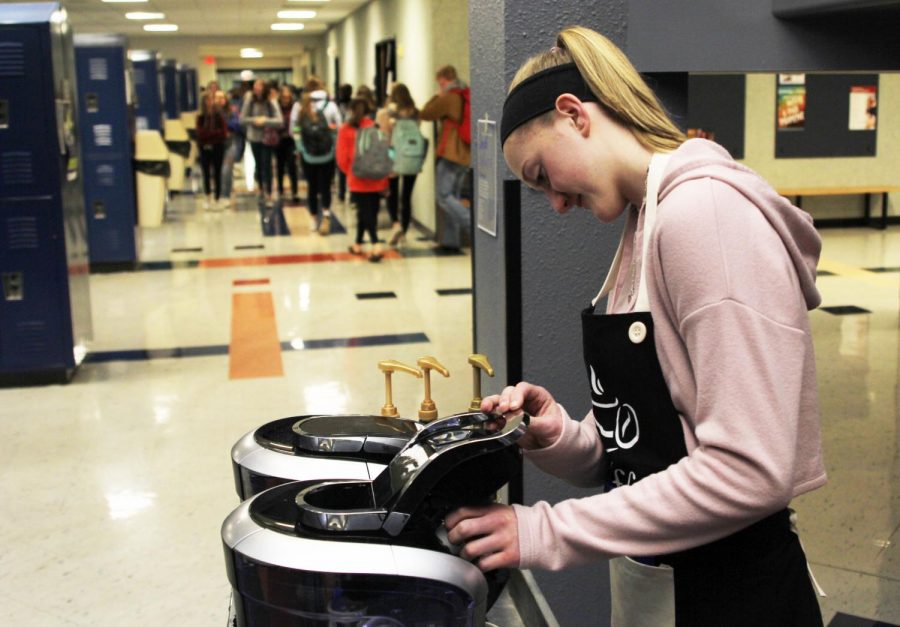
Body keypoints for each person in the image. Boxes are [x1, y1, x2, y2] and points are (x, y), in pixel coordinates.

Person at [444, 26, 826, 627]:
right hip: (660, 583)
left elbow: (751, 469)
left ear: (573, 114)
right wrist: (561, 437)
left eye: (542, 173)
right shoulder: (642, 227)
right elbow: (642, 447)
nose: (555, 203)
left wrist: (544, 528)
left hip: (731, 594)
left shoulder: (706, 216)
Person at [420, 65, 471, 252]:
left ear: (443, 79)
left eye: (439, 81)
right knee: (453, 197)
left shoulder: (450, 97)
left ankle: (471, 224)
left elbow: (426, 113)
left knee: (443, 196)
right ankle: (451, 242)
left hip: (451, 154)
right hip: (465, 155)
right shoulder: (464, 93)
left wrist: (437, 96)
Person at [336, 98, 388, 262]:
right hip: (376, 176)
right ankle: (358, 243)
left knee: (365, 212)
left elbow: (342, 158)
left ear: (350, 110)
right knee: (369, 210)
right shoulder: (374, 126)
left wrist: (350, 172)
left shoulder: (346, 129)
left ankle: (375, 244)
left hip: (357, 177)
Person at [376, 83, 424, 247]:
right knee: (407, 196)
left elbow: (383, 134)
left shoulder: (386, 113)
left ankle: (395, 224)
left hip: (393, 156)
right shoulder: (416, 113)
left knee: (392, 193)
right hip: (412, 156)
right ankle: (403, 230)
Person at [292, 77, 342, 234]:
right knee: (326, 186)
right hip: (328, 154)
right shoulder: (331, 105)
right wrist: (333, 146)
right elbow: (339, 128)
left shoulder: (299, 107)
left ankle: (314, 218)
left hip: (308, 155)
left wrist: (300, 149)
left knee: (311, 187)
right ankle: (326, 214)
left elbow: (294, 130)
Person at [241, 78, 283, 204]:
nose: (257, 89)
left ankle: (269, 193)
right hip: (254, 137)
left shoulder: (271, 101)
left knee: (267, 165)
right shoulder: (250, 100)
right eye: (255, 87)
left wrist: (265, 120)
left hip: (267, 138)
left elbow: (279, 121)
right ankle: (261, 189)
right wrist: (254, 120)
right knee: (259, 165)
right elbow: (242, 119)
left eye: (259, 87)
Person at [195, 90, 228, 209]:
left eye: (211, 99)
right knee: (206, 172)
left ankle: (217, 197)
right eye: (207, 99)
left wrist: (209, 135)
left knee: (217, 172)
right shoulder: (200, 116)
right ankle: (208, 196)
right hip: (204, 148)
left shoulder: (219, 115)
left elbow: (223, 133)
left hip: (218, 147)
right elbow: (199, 133)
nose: (210, 102)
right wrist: (212, 135)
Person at [220, 87, 245, 207]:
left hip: (231, 143)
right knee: (219, 170)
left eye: (221, 98)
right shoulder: (209, 114)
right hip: (217, 144)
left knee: (226, 169)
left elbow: (238, 125)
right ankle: (219, 194)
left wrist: (225, 125)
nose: (219, 101)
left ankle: (226, 195)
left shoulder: (232, 112)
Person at [275, 85, 300, 203]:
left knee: (292, 166)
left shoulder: (295, 108)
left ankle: (295, 191)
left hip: (291, 140)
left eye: (288, 97)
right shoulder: (276, 107)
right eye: (284, 97)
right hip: (278, 140)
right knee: (280, 166)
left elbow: (297, 124)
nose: (286, 99)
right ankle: (280, 190)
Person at [334, 83, 354, 203]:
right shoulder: (339, 105)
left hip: (343, 138)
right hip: (347, 138)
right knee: (346, 166)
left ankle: (344, 192)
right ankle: (345, 192)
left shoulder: (338, 104)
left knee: (342, 166)